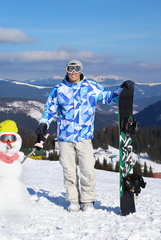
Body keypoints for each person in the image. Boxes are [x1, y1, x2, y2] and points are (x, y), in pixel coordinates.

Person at [35, 60, 129, 212]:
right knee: (69, 171)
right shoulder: (59, 89)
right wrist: (43, 124)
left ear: (81, 70)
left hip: (84, 137)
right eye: (70, 69)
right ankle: (73, 200)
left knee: (87, 170)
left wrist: (122, 89)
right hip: (65, 138)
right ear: (66, 70)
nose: (73, 72)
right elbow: (49, 110)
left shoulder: (90, 87)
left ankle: (87, 201)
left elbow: (109, 98)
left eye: (76, 69)